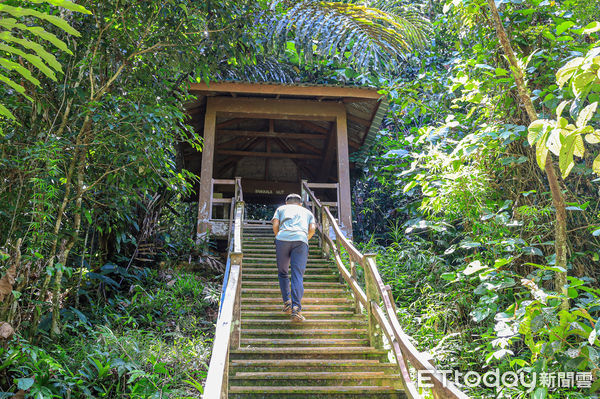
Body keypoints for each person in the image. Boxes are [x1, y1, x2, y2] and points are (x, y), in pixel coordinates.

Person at [271, 193, 316, 322]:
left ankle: (287, 302)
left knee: (283, 272)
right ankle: (296, 308)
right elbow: (312, 228)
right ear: (300, 203)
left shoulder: (280, 209)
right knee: (297, 274)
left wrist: (278, 236)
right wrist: (304, 238)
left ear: (287, 202)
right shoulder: (306, 212)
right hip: (301, 241)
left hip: (282, 239)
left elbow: (275, 225)